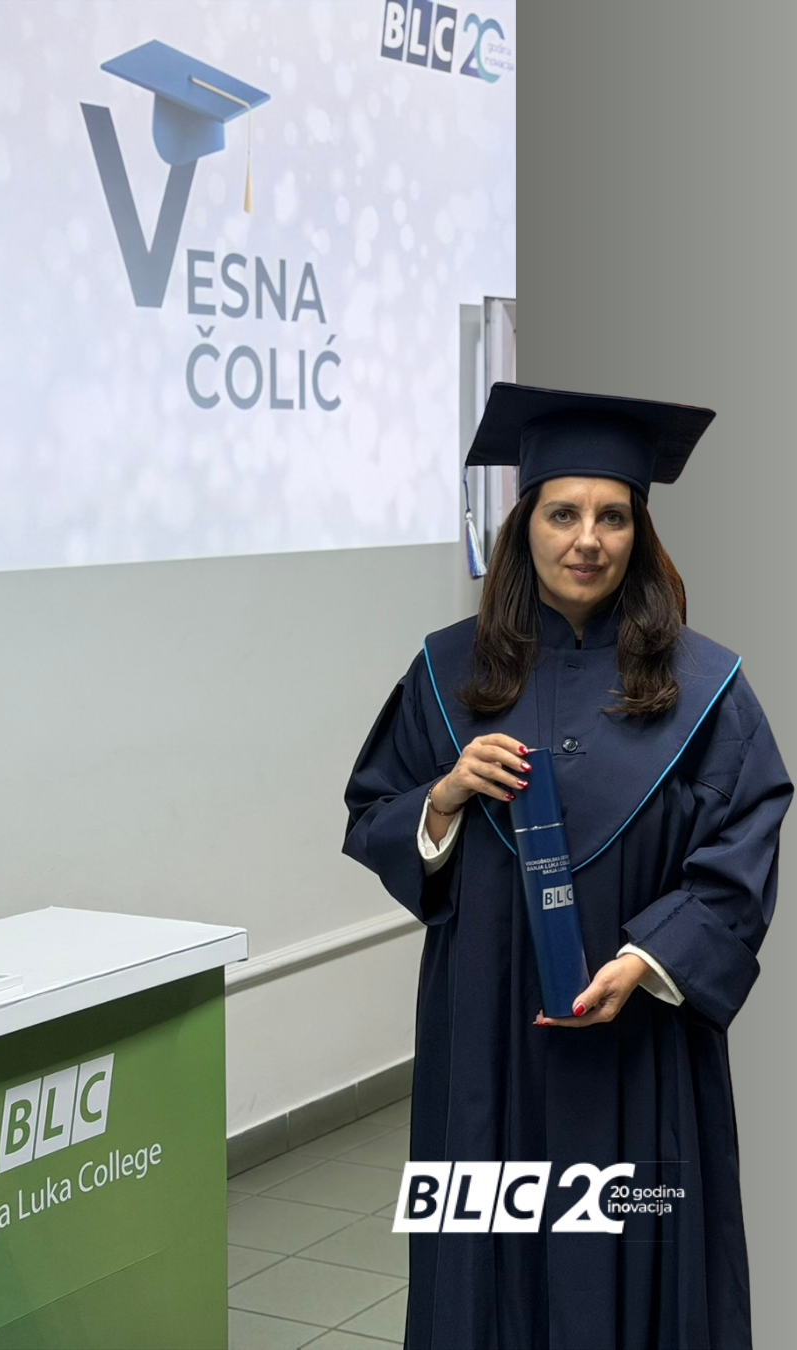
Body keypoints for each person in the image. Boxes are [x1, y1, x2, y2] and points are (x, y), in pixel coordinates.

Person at [342, 383, 792, 1350]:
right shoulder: (445, 674)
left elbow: (744, 847)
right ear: (525, 527)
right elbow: (375, 811)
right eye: (563, 514)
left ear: (639, 533)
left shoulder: (706, 687)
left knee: (642, 1239)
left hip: (641, 1046)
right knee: (488, 1257)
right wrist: (444, 797)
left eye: (612, 516)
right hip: (487, 1036)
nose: (587, 539)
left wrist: (649, 962)